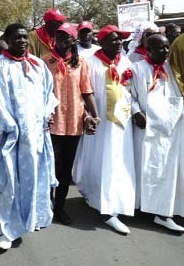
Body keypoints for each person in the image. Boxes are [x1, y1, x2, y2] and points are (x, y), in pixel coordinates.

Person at [0, 23, 58, 250]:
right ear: (7, 39)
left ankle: (29, 220)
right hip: (10, 139)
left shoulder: (38, 65)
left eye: (25, 38)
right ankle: (5, 229)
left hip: (35, 138)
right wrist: (10, 127)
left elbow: (48, 95)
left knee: (32, 181)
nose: (22, 42)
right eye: (17, 38)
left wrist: (47, 114)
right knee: (7, 183)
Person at [72, 25, 136, 234]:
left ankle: (113, 202)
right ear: (103, 41)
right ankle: (104, 207)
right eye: (114, 39)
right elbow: (82, 92)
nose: (118, 43)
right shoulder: (90, 63)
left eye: (120, 40)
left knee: (118, 161)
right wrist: (87, 116)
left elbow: (129, 92)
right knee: (99, 160)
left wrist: (134, 110)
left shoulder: (125, 62)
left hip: (120, 123)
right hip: (99, 123)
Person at [42, 23, 99, 225]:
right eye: (59, 36)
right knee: (49, 168)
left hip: (74, 124)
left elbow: (86, 91)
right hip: (51, 124)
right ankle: (45, 205)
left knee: (65, 170)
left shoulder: (81, 62)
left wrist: (94, 116)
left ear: (73, 40)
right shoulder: (45, 62)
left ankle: (60, 207)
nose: (61, 40)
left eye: (66, 37)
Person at [127, 34, 184, 232]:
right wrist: (136, 112)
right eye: (161, 48)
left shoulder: (171, 69)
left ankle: (162, 211)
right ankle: (143, 207)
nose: (166, 52)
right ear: (149, 50)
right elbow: (128, 94)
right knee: (144, 168)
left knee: (164, 170)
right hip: (146, 129)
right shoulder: (137, 68)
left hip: (168, 129)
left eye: (167, 47)